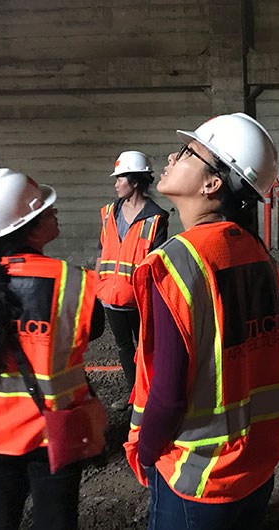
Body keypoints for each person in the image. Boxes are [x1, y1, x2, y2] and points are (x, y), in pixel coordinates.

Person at [124, 113, 279, 530]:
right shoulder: (257, 253)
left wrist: (145, 451)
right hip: (256, 463)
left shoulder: (174, 262)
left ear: (212, 183)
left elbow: (168, 392)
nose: (171, 156)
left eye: (186, 152)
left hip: (198, 474)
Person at [0, 168, 106, 530]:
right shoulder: (75, 283)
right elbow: (89, 333)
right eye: (47, 211)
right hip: (54, 431)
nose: (55, 214)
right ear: (27, 226)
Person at [96, 151, 168, 410]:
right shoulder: (108, 213)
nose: (115, 183)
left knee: (147, 349)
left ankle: (151, 395)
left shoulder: (156, 217)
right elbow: (101, 251)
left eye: (120, 178)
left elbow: (157, 263)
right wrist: (97, 289)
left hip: (140, 300)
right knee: (124, 347)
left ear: (135, 181)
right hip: (111, 297)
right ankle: (133, 394)